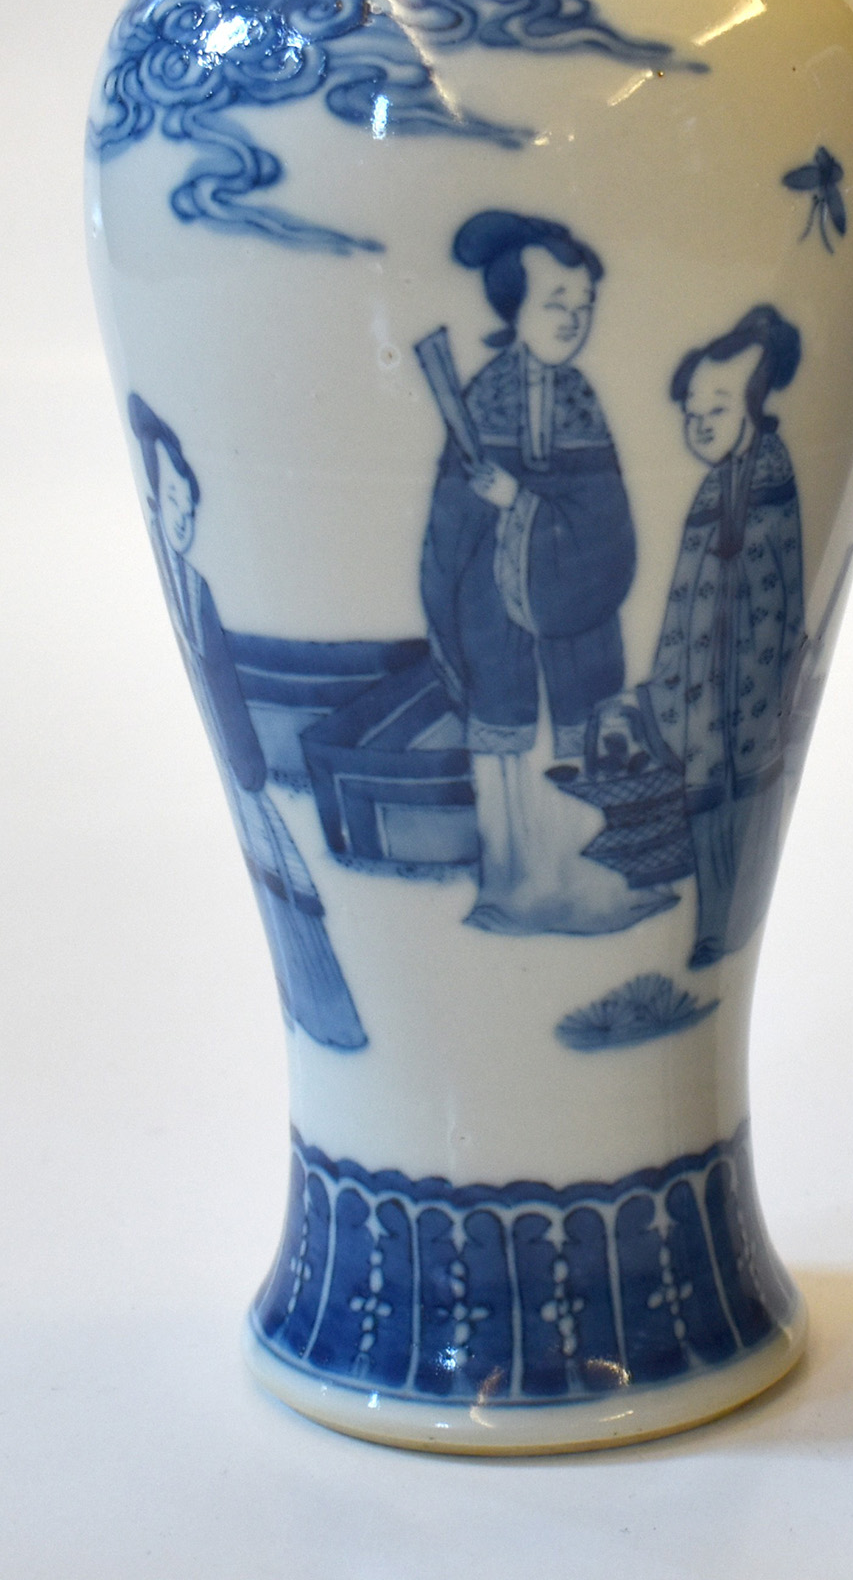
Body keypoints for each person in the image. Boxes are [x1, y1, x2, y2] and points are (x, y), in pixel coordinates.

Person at [420, 210, 663, 935]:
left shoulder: (583, 399)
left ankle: (592, 885)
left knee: (580, 742)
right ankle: (515, 887)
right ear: (514, 307)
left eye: (582, 306)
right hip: (492, 616)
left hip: (576, 615)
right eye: (555, 303)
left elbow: (608, 519)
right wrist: (447, 607)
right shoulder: (482, 397)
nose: (572, 320)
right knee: (509, 749)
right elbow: (446, 525)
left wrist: (520, 502)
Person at [128, 396, 367, 1050]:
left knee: (293, 891)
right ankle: (332, 1031)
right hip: (249, 773)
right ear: (151, 500)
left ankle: (334, 1029)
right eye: (172, 498)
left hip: (249, 770)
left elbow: (226, 689)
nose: (183, 513)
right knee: (290, 891)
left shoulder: (198, 586)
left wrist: (254, 770)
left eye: (188, 501)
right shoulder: (191, 581)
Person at [646, 306, 806, 968]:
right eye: (692, 414)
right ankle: (713, 925)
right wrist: (665, 678)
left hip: (754, 676)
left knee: (752, 795)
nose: (700, 426)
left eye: (716, 410)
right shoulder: (711, 488)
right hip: (703, 686)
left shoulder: (772, 475)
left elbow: (783, 584)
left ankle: (726, 926)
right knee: (707, 799)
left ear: (753, 406)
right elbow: (683, 594)